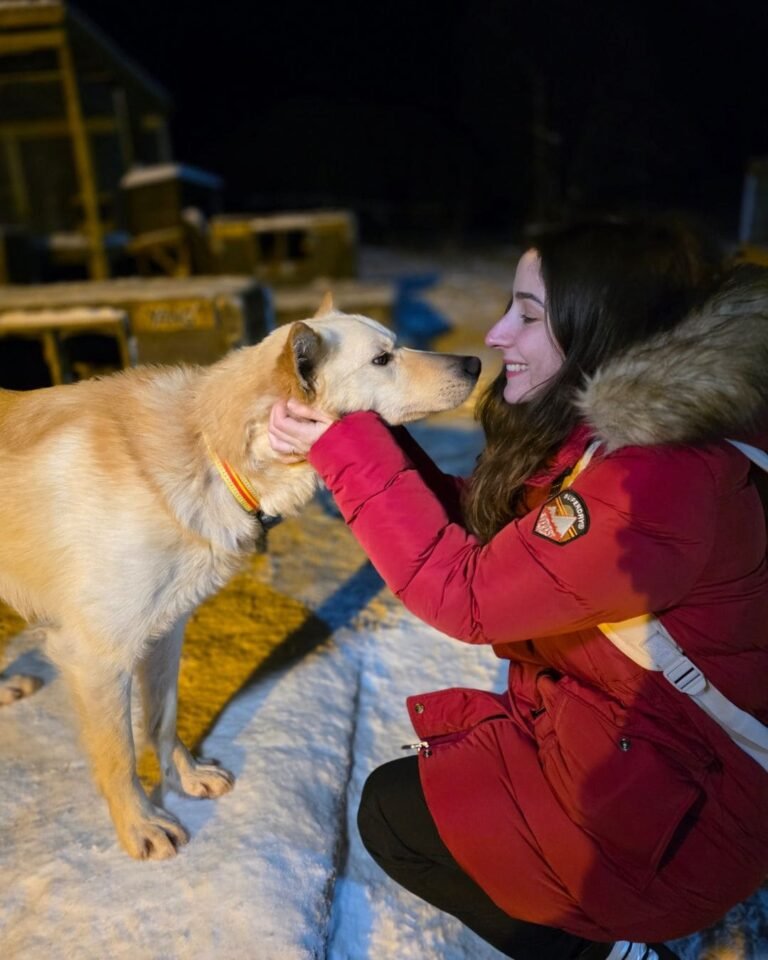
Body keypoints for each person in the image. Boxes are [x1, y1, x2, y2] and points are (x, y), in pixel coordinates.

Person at [267, 218, 768, 960]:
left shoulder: (660, 480)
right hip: (653, 757)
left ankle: (613, 953)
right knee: (429, 790)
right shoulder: (633, 438)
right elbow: (503, 521)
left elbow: (465, 593)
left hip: (693, 819)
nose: (498, 334)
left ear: (604, 326)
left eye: (528, 315)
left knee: (395, 817)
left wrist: (348, 453)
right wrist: (365, 436)